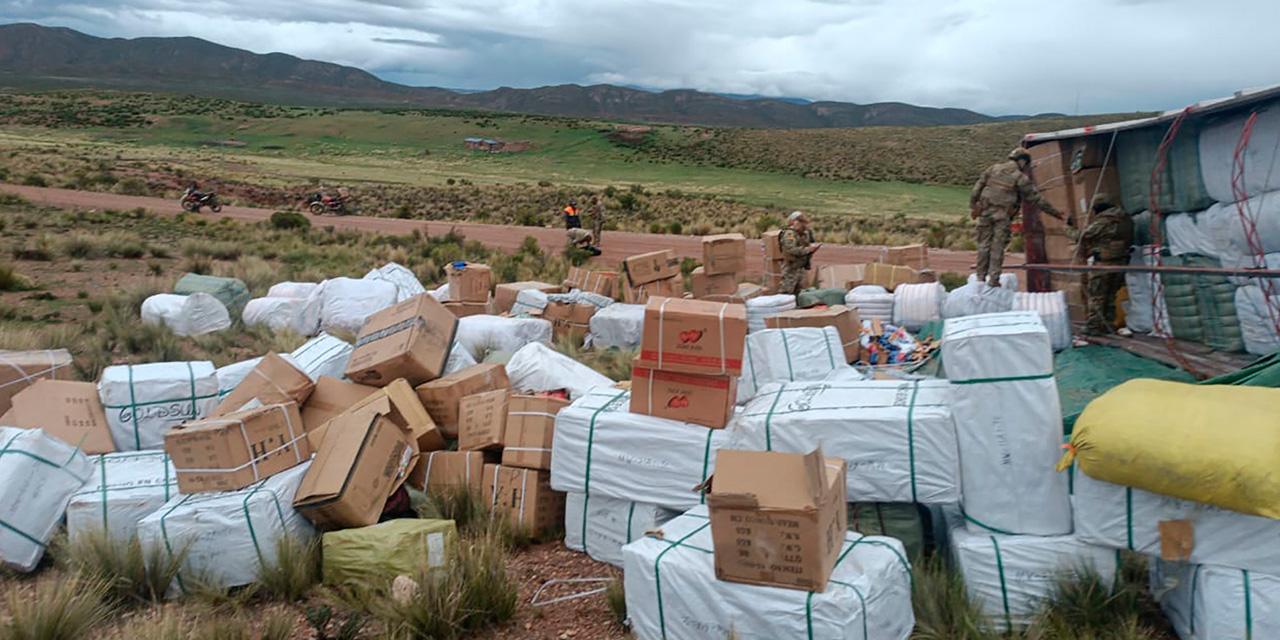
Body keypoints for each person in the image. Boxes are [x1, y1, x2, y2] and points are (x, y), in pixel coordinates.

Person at [970, 148, 1071, 287]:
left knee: (983, 245)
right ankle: (993, 280)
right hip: (1002, 215)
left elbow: (975, 191)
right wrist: (1056, 214)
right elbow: (1036, 199)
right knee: (997, 247)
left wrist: (974, 208)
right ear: (1022, 161)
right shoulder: (1019, 177)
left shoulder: (993, 169)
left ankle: (980, 278)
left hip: (985, 212)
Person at [1073, 193, 1133, 335]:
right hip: (1122, 261)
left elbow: (1084, 236)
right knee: (1111, 295)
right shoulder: (1125, 219)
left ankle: (1094, 327)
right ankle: (1108, 324)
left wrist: (1068, 229)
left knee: (1097, 295)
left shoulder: (1105, 220)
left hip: (1104, 264)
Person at [779, 211, 820, 295]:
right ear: (795, 222)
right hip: (791, 267)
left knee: (798, 292)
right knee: (787, 292)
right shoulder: (790, 234)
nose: (803, 226)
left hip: (799, 266)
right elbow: (791, 249)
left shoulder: (803, 234)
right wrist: (808, 250)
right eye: (801, 223)